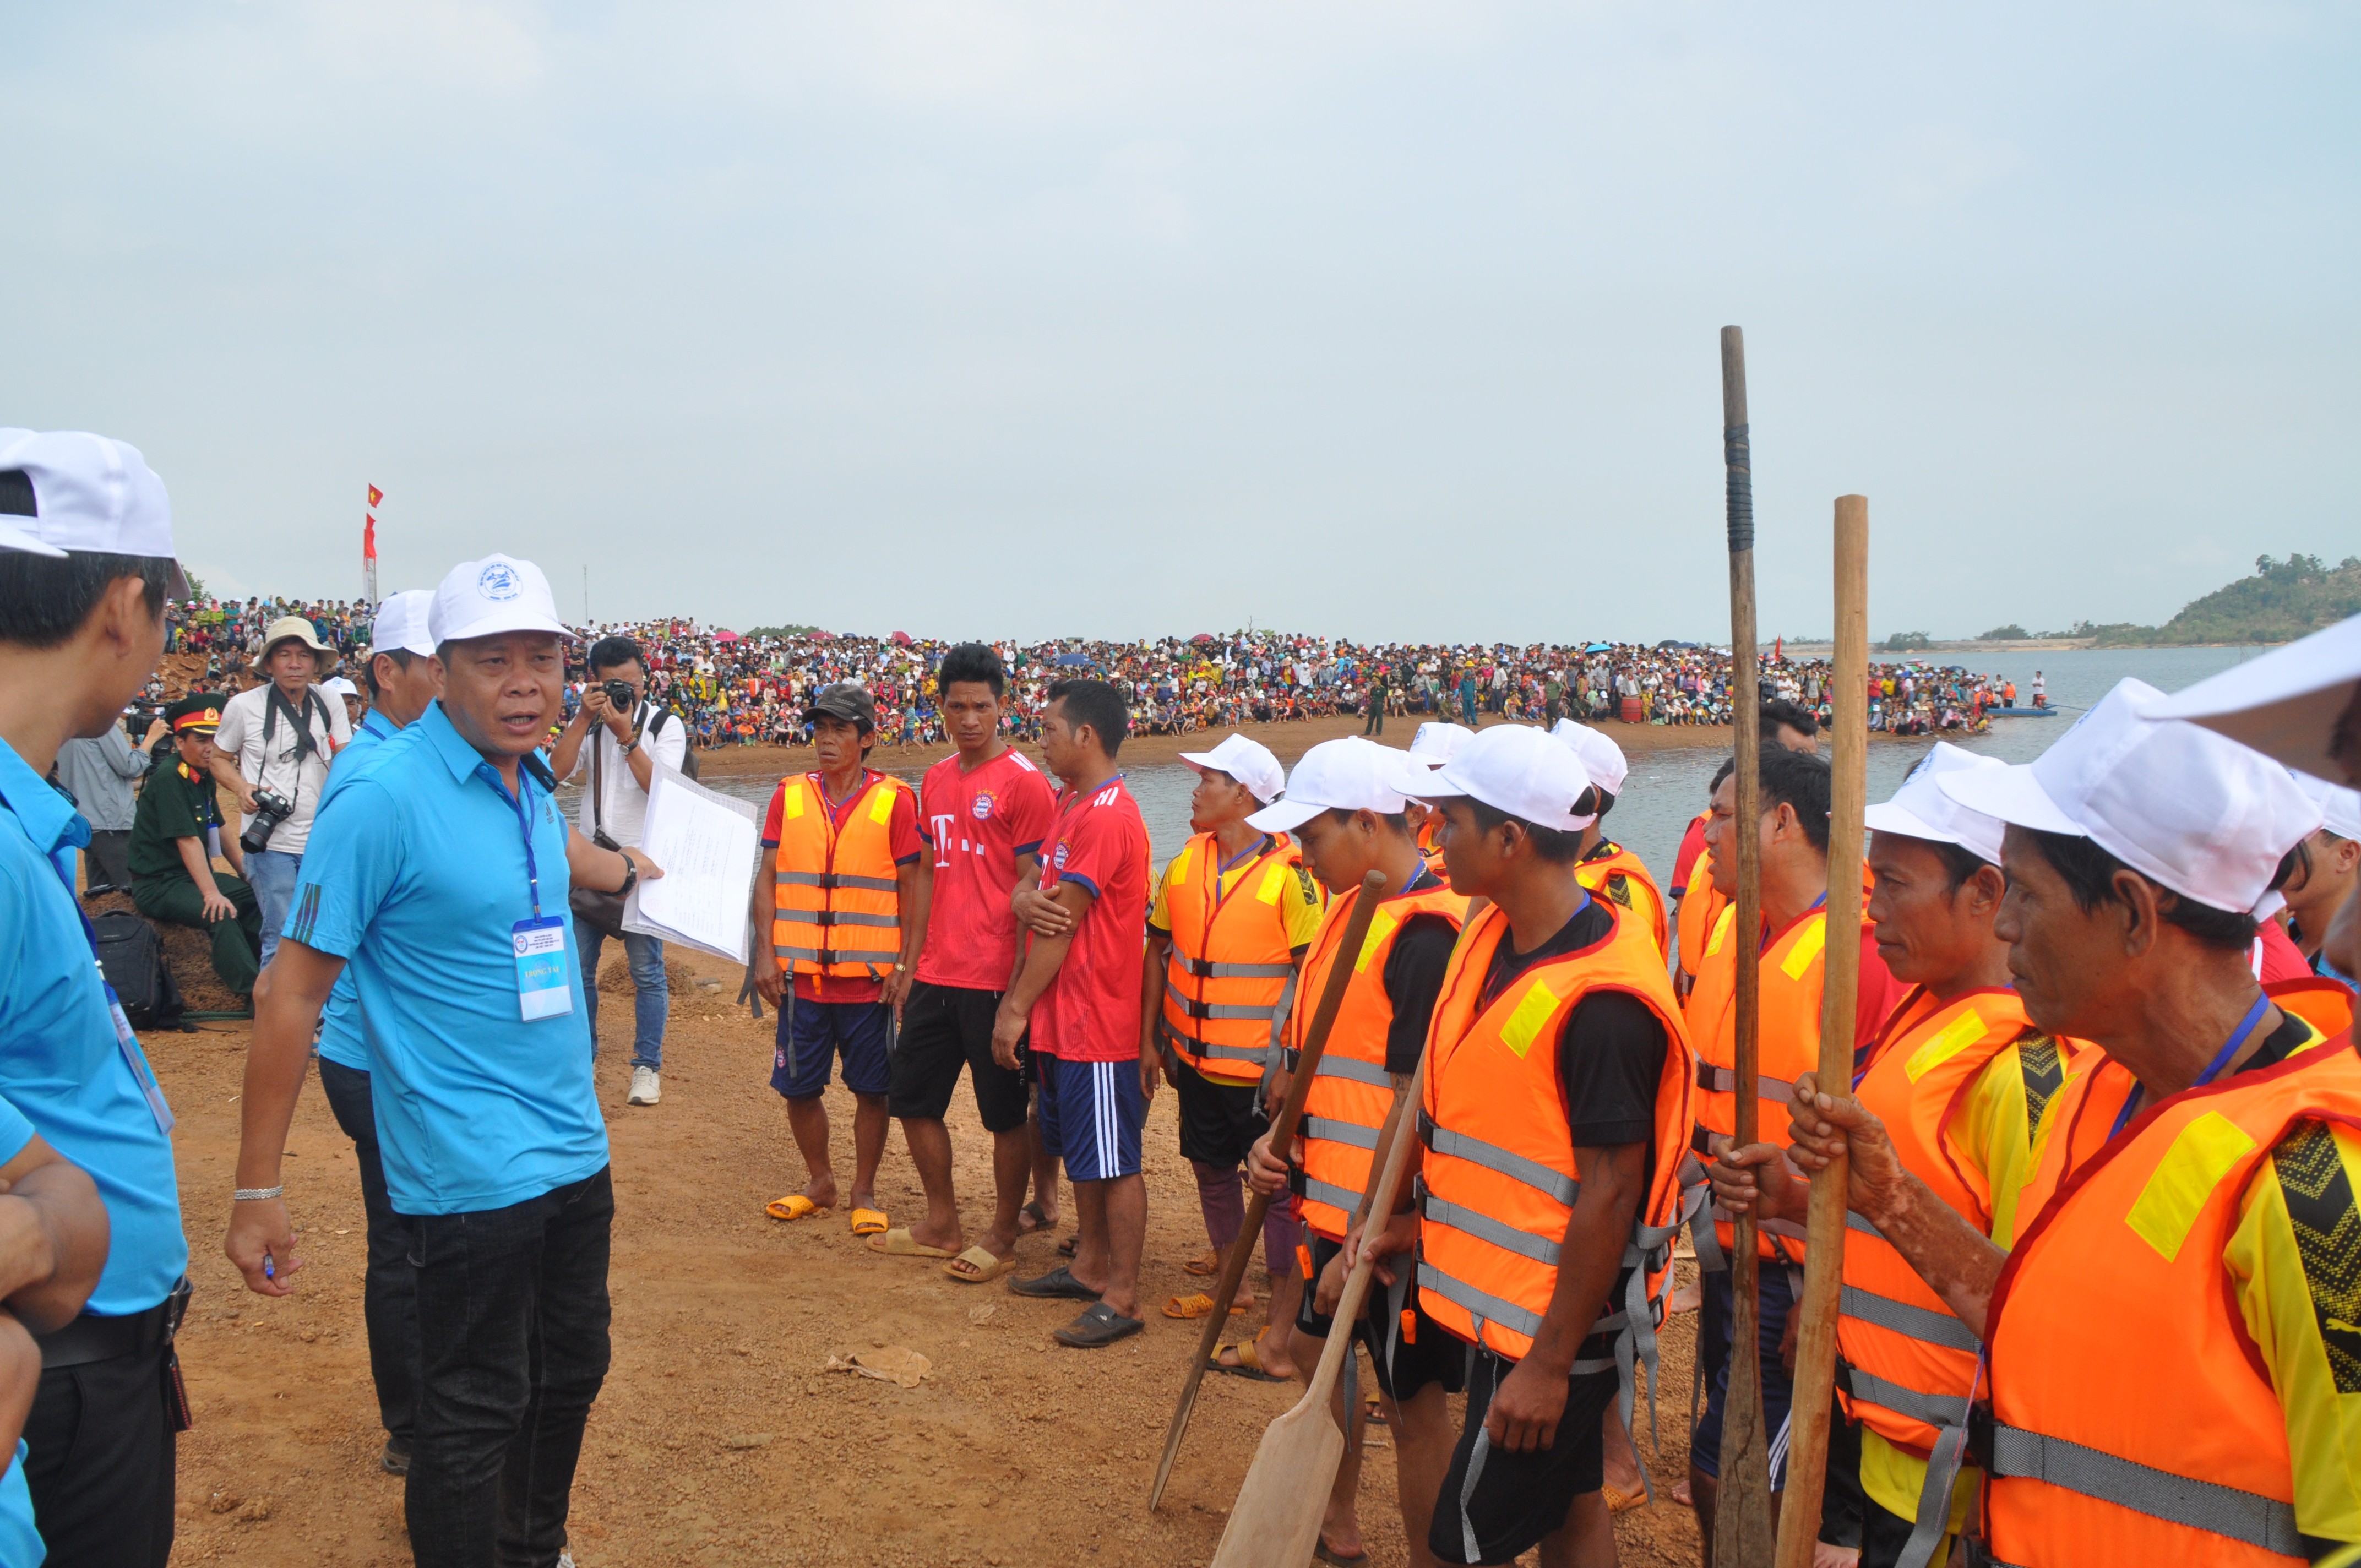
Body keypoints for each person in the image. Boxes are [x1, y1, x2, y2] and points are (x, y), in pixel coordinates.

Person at [1773, 678, 2353, 1566]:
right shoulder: (2100, 1089)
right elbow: (2035, 1313)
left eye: (2029, 897)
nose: (2002, 925)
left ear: (2129, 910)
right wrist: (1890, 1196)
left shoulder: (2317, 1185)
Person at [225, 553, 655, 1568]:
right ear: (440, 670)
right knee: (472, 1405)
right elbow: (290, 988)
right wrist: (256, 1186)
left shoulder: (526, 780)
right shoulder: (382, 795)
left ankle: (531, 1546)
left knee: (572, 1367)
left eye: (542, 659)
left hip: (569, 1144)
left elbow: (558, 886)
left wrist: (643, 872)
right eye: (492, 659)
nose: (523, 682)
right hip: (463, 1166)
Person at [1708, 743, 2071, 1568]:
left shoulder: (2024, 1067)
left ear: (1986, 893)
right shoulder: (1920, 1016)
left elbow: (2039, 1313)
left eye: (1898, 885)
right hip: (1888, 1442)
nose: (1871, 908)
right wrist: (1797, 1198)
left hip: (1965, 1486)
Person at [1343, 723, 1691, 1567]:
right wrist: (1413, 1227)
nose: (1432, 836)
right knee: (1570, 1508)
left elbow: (1611, 1190)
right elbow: (1493, 1137)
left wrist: (1551, 1365)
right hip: (1504, 1301)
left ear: (1508, 838)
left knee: (1460, 1540)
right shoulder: (1489, 936)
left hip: (1553, 1328)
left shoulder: (1603, 1004)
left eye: (1450, 821)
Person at [0, 427, 194, 1566]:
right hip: (56, 1367)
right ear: (122, 606)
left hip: (81, 1350)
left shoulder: (30, 821)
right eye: (162, 613)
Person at [1242, 738, 1468, 1566]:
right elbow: (1325, 1063)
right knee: (1310, 1355)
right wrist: (1280, 1141)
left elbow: (1417, 1106)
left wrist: (1381, 1227)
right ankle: (1337, 1524)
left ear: (1369, 824)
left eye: (1313, 835)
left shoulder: (1426, 937)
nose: (1300, 852)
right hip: (1331, 1199)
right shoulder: (1348, 905)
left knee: (1414, 1410)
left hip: (1392, 1220)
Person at [1682, 744, 1905, 1548]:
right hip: (1736, 1254)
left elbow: (1876, 1146)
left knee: (1736, 1474)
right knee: (1723, 1462)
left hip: (1797, 1269)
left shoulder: (1860, 955)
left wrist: (1824, 1281)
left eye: (1723, 815)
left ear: (1783, 822)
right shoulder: (1745, 931)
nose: (1705, 833)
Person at [308, 587, 440, 1476]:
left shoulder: (415, 759)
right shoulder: (371, 777)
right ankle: (412, 1423)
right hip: (373, 1053)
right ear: (385, 671)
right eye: (439, 662)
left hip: (388, 1049)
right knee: (404, 1240)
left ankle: (417, 1415)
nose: (454, 678)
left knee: (409, 1235)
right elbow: (312, 956)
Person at [1143, 732, 1320, 1351]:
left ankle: (1277, 1315)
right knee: (1207, 1166)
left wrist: (1290, 1067)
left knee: (1273, 1190)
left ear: (1242, 794)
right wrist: (1152, 1041)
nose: (1194, 789)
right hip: (1191, 1059)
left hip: (1257, 1072)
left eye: (1207, 780)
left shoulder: (1293, 876)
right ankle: (1231, 1278)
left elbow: (1313, 976)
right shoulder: (1185, 861)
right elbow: (1158, 952)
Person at [892, 643, 1057, 1283]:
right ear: (939, 707)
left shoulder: (1024, 783)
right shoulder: (933, 779)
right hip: (935, 972)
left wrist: (1018, 993)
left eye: (981, 706)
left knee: (1005, 1116)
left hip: (994, 976)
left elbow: (1033, 887)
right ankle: (941, 1222)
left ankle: (1001, 1233)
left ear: (1002, 706)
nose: (969, 718)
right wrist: (910, 960)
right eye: (956, 705)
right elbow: (929, 878)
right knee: (912, 1099)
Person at [999, 679, 1152, 1348]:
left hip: (1098, 1022)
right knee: (1083, 1152)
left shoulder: (1108, 815)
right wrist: (1020, 898)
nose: (1043, 738)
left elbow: (1063, 925)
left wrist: (1013, 1008)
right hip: (1067, 1021)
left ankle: (1121, 1291)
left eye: (1052, 728)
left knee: (1114, 1159)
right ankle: (1089, 1264)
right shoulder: (1071, 802)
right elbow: (1036, 887)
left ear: (1087, 735)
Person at [750, 682, 923, 1242]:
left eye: (840, 729)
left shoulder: (896, 799)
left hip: (868, 983)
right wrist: (765, 954)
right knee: (798, 1088)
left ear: (867, 737)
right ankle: (820, 1180)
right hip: (800, 979)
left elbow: (913, 887)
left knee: (872, 1089)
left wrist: (906, 966)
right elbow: (769, 879)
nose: (826, 739)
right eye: (820, 728)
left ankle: (863, 1190)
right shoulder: (789, 794)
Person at [552, 634, 690, 1108]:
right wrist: (583, 718)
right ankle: (585, 1058)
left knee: (647, 973)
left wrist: (627, 735)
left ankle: (647, 1067)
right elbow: (554, 774)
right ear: (594, 682)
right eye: (612, 685)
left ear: (645, 679)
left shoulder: (666, 725)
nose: (622, 695)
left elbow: (665, 794)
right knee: (580, 970)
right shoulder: (589, 725)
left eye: (630, 684)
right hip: (593, 867)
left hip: (644, 869)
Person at [210, 612, 351, 967]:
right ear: (269, 663)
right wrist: (242, 788)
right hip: (270, 841)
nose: (295, 664)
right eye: (285, 655)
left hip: (322, 839)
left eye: (304, 656)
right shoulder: (244, 706)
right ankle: (277, 1020)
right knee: (283, 932)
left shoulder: (329, 702)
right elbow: (217, 758)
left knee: (321, 933)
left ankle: (314, 1018)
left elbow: (346, 758)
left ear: (316, 663)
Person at [128, 692, 264, 998]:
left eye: (214, 741)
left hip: (188, 878)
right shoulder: (169, 778)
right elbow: (188, 840)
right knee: (220, 914)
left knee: (255, 898)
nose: (209, 749)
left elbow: (220, 828)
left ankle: (272, 976)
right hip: (159, 883)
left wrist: (246, 874)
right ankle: (253, 996)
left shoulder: (202, 775)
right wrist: (211, 893)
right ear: (179, 743)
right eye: (201, 740)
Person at [1552, 719, 1669, 956]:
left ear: (1590, 800)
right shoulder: (1534, 868)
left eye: (1547, 777)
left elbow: (1629, 982)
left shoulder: (1619, 891)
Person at [53, 707, 163, 892]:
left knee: (101, 894)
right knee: (133, 888)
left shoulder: (66, 725)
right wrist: (152, 737)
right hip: (111, 821)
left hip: (86, 822)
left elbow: (94, 775)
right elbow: (130, 767)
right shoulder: (101, 725)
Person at [2282, 774, 2360, 989]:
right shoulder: (2268, 931)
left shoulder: (2353, 975)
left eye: (2292, 839)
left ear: (2347, 855)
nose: (2272, 850)